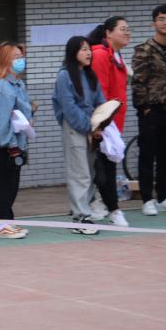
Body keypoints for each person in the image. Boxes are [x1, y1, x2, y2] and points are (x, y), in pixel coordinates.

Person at [132, 4, 166, 216]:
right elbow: (138, 82)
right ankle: (147, 199)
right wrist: (144, 108)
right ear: (153, 23)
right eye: (161, 19)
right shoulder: (144, 49)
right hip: (151, 110)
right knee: (148, 155)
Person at [53, 36, 109, 233]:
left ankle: (84, 211)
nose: (88, 53)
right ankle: (80, 217)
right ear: (73, 52)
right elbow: (68, 107)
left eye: (89, 49)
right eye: (83, 49)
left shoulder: (90, 74)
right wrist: (89, 126)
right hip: (75, 128)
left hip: (91, 128)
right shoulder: (64, 76)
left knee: (90, 173)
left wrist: (100, 124)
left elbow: (100, 102)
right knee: (80, 174)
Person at [0, 42, 33, 240]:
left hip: (12, 143)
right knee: (2, 185)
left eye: (21, 56)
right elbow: (1, 120)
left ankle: (7, 221)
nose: (20, 60)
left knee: (10, 184)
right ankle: (2, 224)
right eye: (16, 57)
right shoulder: (1, 85)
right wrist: (12, 145)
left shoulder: (17, 83)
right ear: (5, 60)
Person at [88, 16, 131, 225]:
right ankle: (113, 210)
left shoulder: (116, 55)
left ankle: (99, 205)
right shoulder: (100, 55)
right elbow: (100, 94)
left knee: (105, 167)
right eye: (122, 29)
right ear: (108, 33)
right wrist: (101, 126)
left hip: (113, 122)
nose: (127, 32)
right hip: (104, 123)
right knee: (104, 169)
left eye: (128, 29)